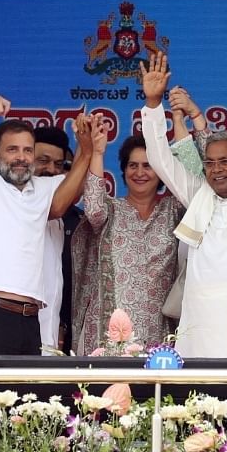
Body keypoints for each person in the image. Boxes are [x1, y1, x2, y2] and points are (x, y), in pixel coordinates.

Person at [139, 49, 227, 358]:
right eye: (210, 162)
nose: (215, 169)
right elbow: (161, 160)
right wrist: (153, 105)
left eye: (225, 161)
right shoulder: (199, 194)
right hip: (203, 311)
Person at [0, 112, 95, 367]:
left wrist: (86, 150)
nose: (21, 157)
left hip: (30, 319)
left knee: (28, 403)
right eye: (12, 150)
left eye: (27, 151)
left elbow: (62, 203)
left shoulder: (44, 188)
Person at [71, 124, 182, 353]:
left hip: (157, 330)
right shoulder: (110, 209)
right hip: (106, 331)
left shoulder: (173, 211)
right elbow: (92, 208)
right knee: (103, 389)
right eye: (133, 165)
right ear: (123, 170)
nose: (139, 173)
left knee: (154, 389)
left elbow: (194, 179)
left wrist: (181, 121)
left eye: (148, 166)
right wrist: (98, 153)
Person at [31, 125, 82, 353]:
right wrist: (88, 150)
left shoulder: (64, 218)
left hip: (50, 331)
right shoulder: (11, 199)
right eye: (43, 160)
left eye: (59, 165)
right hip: (15, 328)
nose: (50, 169)